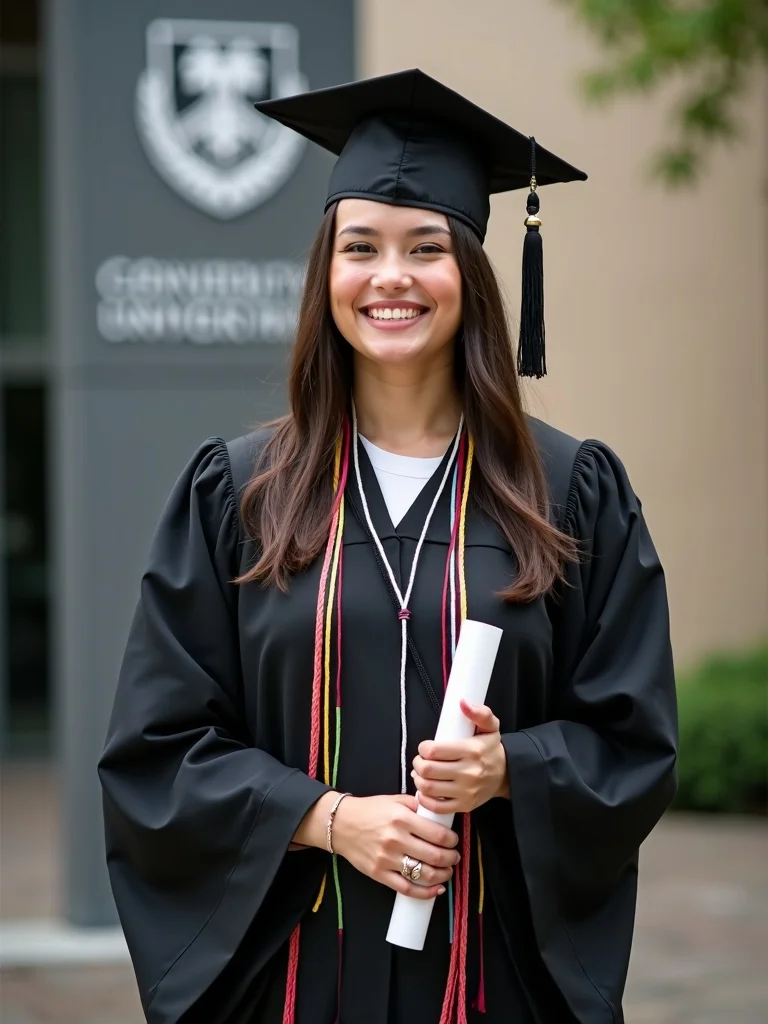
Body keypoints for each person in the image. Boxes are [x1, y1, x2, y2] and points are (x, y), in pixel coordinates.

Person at [99, 69, 678, 1024]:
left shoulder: (570, 493)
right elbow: (157, 750)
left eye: (427, 248)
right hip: (291, 986)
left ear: (474, 276)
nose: (391, 277)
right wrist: (326, 821)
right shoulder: (240, 492)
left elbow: (633, 740)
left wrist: (513, 769)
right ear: (327, 275)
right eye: (360, 246)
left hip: (490, 985)